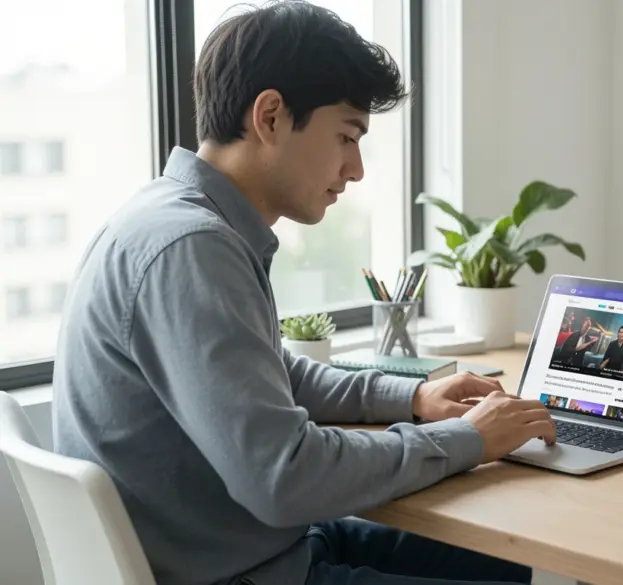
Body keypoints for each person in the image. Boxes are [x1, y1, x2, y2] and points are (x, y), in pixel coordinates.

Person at [50, 3, 555, 585]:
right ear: (270, 116)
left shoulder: (169, 218)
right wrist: (467, 438)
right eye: (346, 136)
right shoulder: (191, 247)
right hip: (246, 573)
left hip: (260, 552)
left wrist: (415, 397)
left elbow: (273, 375)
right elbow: (283, 478)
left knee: (520, 569)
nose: (356, 169)